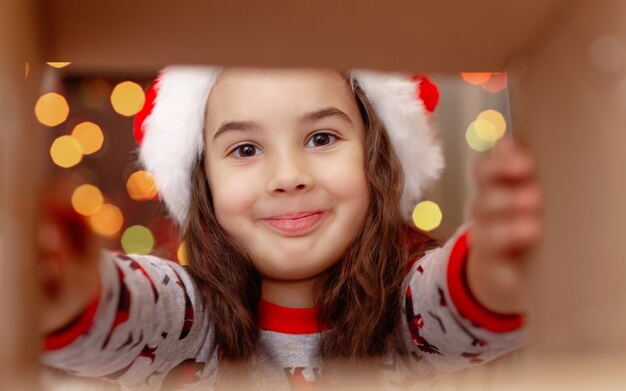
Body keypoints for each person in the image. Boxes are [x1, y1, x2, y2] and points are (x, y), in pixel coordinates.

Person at [38, 67, 543, 390]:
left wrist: (497, 259)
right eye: (245, 149)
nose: (288, 178)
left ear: (375, 161)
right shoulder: (183, 320)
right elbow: (124, 308)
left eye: (322, 138)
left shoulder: (409, 313)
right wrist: (69, 283)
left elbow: (456, 299)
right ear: (204, 182)